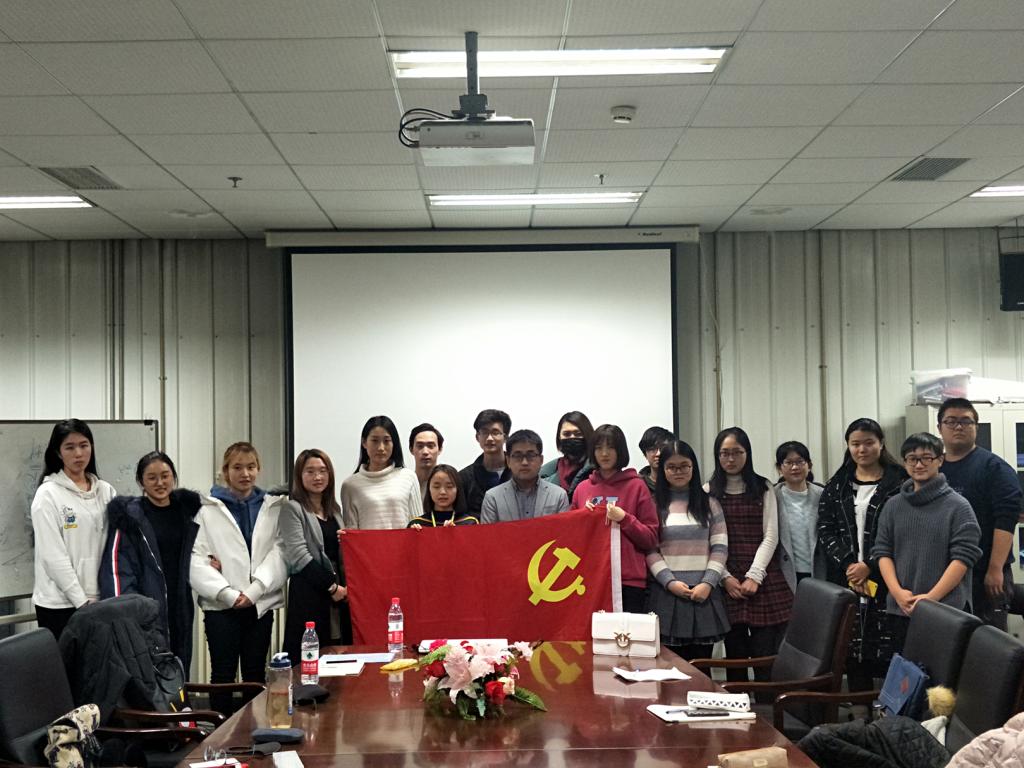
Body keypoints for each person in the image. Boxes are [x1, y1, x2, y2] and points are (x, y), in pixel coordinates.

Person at [190, 442, 286, 703]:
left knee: (254, 675)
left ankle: (253, 728)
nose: (245, 473)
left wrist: (255, 590)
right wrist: (228, 594)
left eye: (251, 467)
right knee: (223, 675)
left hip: (259, 604)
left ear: (259, 469)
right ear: (225, 471)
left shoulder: (272, 507)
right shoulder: (206, 508)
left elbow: (279, 553)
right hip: (221, 607)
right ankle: (220, 727)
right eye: (237, 467)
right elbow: (196, 558)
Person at [817, 417, 906, 690]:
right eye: (855, 444)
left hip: (889, 577)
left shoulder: (900, 483)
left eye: (869, 442)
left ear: (881, 444)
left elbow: (903, 532)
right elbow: (825, 529)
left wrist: (870, 564)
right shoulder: (838, 484)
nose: (862, 449)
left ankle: (889, 706)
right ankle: (858, 703)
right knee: (851, 645)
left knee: (890, 644)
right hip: (847, 577)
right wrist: (850, 565)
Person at [873, 432, 982, 648]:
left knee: (942, 670)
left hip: (947, 610)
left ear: (940, 460)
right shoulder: (893, 505)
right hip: (901, 608)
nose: (919, 464)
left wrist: (930, 599)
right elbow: (882, 552)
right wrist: (897, 593)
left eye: (926, 458)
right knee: (903, 669)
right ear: (905, 462)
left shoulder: (958, 507)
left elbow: (963, 559)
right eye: (912, 459)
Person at [100, 451, 204, 672]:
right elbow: (118, 569)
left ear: (173, 477)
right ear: (141, 482)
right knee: (149, 669)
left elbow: (200, 550)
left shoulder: (187, 513)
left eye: (165, 476)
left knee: (180, 665)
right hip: (146, 606)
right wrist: (128, 614)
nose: (160, 483)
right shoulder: (129, 518)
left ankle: (180, 695)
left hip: (180, 603)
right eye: (152, 477)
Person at [706, 427, 793, 683]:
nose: (730, 459)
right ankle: (737, 703)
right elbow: (706, 540)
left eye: (737, 452)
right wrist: (724, 578)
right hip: (726, 579)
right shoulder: (708, 490)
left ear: (747, 454)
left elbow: (771, 535)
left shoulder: (763, 487)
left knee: (765, 654)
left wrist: (755, 575)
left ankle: (767, 705)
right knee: (735, 656)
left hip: (763, 577)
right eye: (724, 453)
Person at [937, 397, 1023, 629]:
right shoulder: (935, 468)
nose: (958, 426)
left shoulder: (995, 469)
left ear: (976, 427)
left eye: (966, 421)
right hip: (945, 573)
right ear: (939, 428)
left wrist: (995, 569)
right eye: (951, 421)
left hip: (984, 571)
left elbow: (1006, 521)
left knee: (987, 642)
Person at [31, 419, 116, 640]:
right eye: (70, 447)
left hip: (102, 599)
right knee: (65, 663)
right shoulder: (47, 495)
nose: (78, 453)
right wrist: (81, 601)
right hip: (60, 605)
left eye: (84, 445)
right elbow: (53, 556)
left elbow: (116, 546)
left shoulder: (106, 491)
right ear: (58, 453)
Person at [647, 440, 729, 660]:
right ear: (663, 470)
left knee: (702, 668)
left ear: (693, 467)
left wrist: (708, 582)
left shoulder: (710, 504)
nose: (678, 471)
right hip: (667, 593)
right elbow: (650, 549)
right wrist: (670, 582)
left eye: (684, 465)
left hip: (704, 594)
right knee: (669, 670)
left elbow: (720, 547)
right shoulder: (653, 505)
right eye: (671, 467)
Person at [572, 424, 659, 613]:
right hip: (591, 580)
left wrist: (625, 519)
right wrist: (581, 518)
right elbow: (571, 540)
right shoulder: (582, 489)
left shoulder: (637, 486)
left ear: (620, 450)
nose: (604, 453)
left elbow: (651, 538)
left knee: (625, 632)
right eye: (598, 448)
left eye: (610, 447)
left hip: (629, 582)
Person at [279, 448, 350, 666]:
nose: (317, 477)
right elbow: (299, 556)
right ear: (299, 476)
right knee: (308, 660)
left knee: (337, 656)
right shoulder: (292, 508)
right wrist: (332, 587)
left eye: (322, 471)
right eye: (310, 471)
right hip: (309, 592)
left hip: (338, 594)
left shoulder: (335, 510)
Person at [341, 415, 423, 529]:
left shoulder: (408, 477)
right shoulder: (350, 485)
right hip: (368, 542)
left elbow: (419, 524)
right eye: (375, 441)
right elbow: (352, 531)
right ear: (364, 442)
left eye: (386, 441)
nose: (381, 447)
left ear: (393, 443)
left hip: (403, 541)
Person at [480, 429, 569, 523]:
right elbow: (488, 532)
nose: (524, 462)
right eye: (518, 456)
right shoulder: (492, 498)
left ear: (541, 460)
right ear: (508, 461)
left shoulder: (558, 495)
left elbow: (563, 531)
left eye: (530, 455)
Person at [774, 440, 825, 587]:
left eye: (800, 462)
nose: (795, 467)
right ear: (779, 468)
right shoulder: (771, 497)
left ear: (809, 465)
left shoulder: (823, 495)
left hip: (819, 570)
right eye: (788, 463)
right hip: (784, 572)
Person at [459, 409, 512, 518]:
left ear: (506, 437)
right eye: (484, 432)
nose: (489, 438)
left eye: (495, 432)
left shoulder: (518, 473)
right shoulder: (464, 478)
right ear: (477, 437)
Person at [539, 411, 595, 501]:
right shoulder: (547, 474)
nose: (572, 437)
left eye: (577, 434)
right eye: (566, 434)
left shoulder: (599, 468)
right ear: (559, 437)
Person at [408, 464, 479, 527]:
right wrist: (413, 534)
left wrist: (456, 533)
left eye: (449, 486)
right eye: (436, 487)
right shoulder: (417, 524)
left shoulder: (470, 523)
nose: (442, 492)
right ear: (429, 489)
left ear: (458, 489)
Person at [408, 423, 444, 500]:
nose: (425, 452)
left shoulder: (448, 486)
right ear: (411, 449)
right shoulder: (404, 485)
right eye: (420, 446)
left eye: (430, 446)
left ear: (440, 449)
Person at [638, 426, 675, 496]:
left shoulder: (682, 482)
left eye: (663, 448)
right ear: (645, 454)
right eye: (652, 449)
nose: (658, 453)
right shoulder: (637, 486)